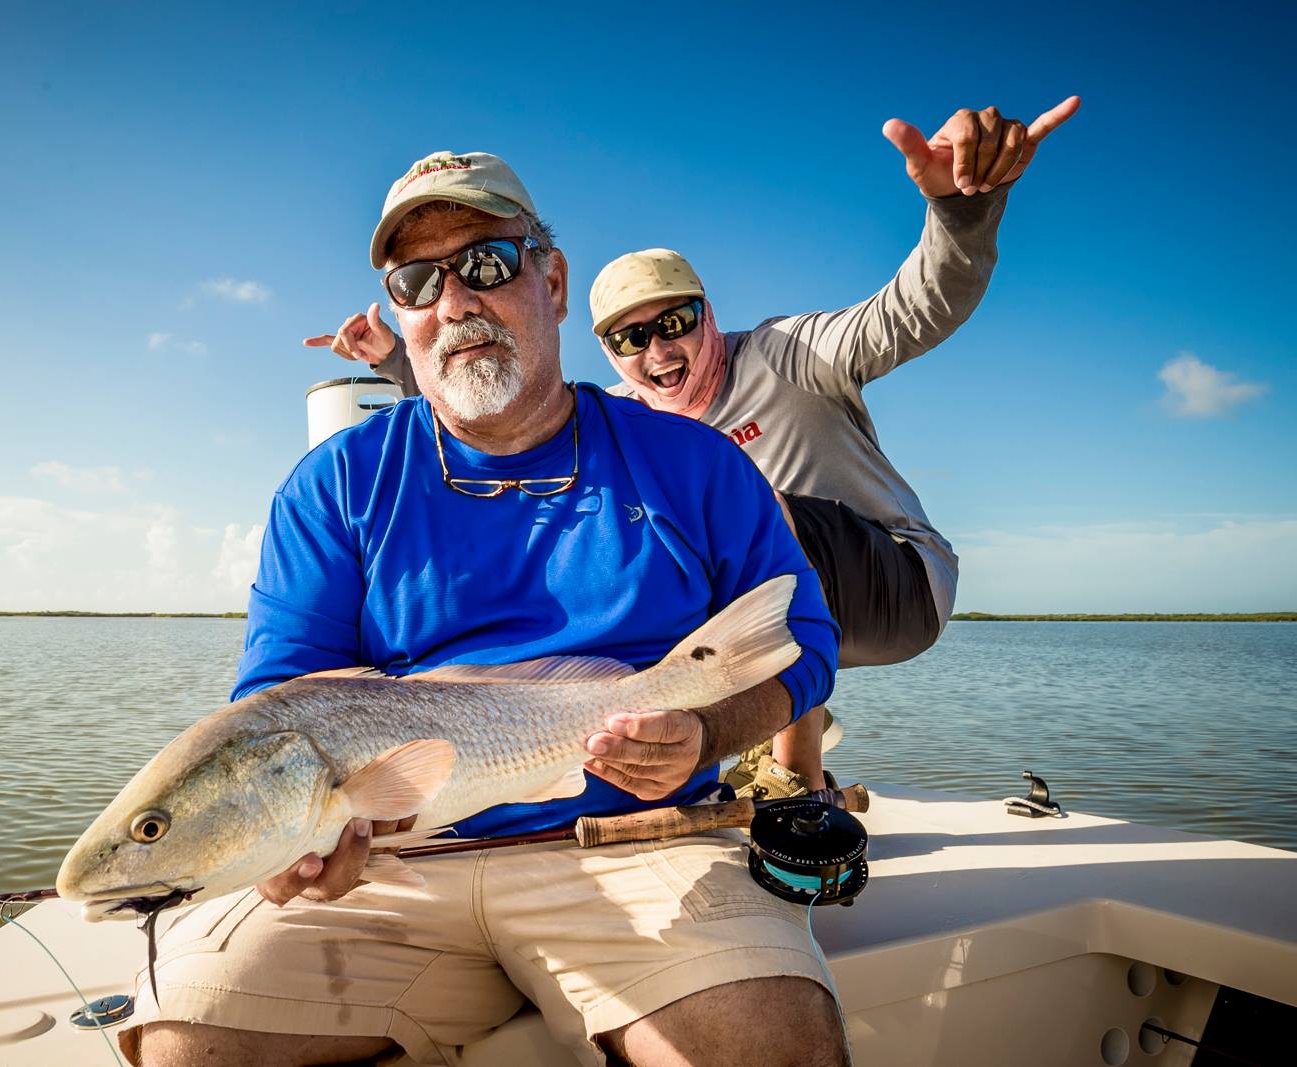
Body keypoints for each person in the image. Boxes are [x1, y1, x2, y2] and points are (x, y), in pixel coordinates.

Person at [125, 151, 844, 1067]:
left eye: (488, 264)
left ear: (550, 278)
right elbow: (284, 696)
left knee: (769, 1051)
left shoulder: (694, 464)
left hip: (640, 842)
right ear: (399, 316)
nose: (454, 300)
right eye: (418, 280)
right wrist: (293, 847)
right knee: (187, 1047)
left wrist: (706, 734)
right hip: (391, 871)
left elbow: (804, 643)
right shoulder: (333, 486)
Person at [308, 99, 1080, 804]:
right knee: (658, 554)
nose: (659, 348)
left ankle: (792, 779)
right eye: (630, 337)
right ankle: (725, 740)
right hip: (775, 619)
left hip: (894, 581)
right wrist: (395, 363)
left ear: (709, 314)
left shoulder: (788, 354)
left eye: (675, 320)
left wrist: (961, 214)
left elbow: (915, 309)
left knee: (747, 502)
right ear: (606, 349)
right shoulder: (634, 426)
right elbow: (494, 394)